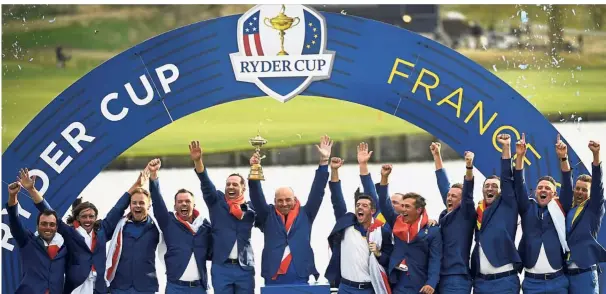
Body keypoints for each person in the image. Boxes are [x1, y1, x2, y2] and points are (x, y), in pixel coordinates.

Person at [21, 168, 138, 294]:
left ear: (95, 217)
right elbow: (47, 209)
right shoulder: (70, 233)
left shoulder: (102, 230)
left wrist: (137, 184)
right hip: (76, 288)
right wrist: (31, 189)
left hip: (100, 288)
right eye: (84, 216)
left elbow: (118, 208)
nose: (88, 220)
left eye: (91, 216)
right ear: (77, 218)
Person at [247, 135, 333, 285]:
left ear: (295, 199)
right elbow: (256, 196)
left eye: (288, 200)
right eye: (280, 200)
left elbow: (318, 191)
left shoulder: (306, 214)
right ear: (274, 202)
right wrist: (254, 169)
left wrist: (324, 162)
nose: (284, 203)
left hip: (300, 274)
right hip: (273, 275)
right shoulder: (268, 215)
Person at [190, 140, 256, 294]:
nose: (231, 187)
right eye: (228, 184)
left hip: (244, 267)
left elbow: (257, 204)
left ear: (243, 188)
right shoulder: (216, 201)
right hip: (221, 267)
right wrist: (198, 161)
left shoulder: (250, 207)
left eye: (235, 184)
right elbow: (205, 182)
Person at [325, 157, 393, 293]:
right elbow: (337, 200)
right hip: (345, 288)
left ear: (373, 211)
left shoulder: (382, 230)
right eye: (357, 205)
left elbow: (388, 259)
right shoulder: (346, 225)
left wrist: (378, 253)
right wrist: (334, 170)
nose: (359, 208)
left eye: (364, 206)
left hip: (370, 289)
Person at [146, 158, 213, 293]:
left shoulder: (204, 226)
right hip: (175, 287)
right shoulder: (168, 222)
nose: (184, 204)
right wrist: (153, 176)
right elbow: (157, 201)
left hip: (199, 288)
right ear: (175, 206)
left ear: (193, 205)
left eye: (187, 201)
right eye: (180, 201)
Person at [514, 133, 569, 293]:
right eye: (540, 188)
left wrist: (563, 158)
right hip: (532, 283)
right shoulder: (527, 207)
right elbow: (519, 184)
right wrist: (520, 157)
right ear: (535, 192)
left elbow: (567, 184)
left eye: (548, 189)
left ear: (554, 194)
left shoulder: (560, 207)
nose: (543, 190)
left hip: (558, 281)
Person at [377, 164, 442, 294]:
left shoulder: (432, 230)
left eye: (407, 206)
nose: (403, 209)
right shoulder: (397, 221)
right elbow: (384, 203)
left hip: (420, 284)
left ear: (418, 210)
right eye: (402, 206)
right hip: (398, 282)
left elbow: (435, 259)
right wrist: (384, 177)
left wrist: (431, 283)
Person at [470, 134, 521, 293]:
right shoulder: (478, 211)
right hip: (480, 283)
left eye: (494, 186)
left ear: (501, 192)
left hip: (505, 281)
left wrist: (506, 147)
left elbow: (506, 177)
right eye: (487, 186)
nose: (490, 188)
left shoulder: (508, 206)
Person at [558, 137, 604, 294]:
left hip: (585, 275)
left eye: (584, 190)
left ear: (590, 194)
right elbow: (566, 181)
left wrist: (596, 156)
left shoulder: (593, 210)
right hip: (565, 276)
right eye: (578, 188)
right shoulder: (567, 208)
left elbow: (598, 185)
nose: (580, 192)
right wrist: (563, 157)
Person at [105, 168, 162, 294]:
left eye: (142, 203)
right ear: (129, 205)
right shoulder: (119, 226)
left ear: (149, 205)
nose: (137, 206)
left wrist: (154, 178)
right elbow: (116, 209)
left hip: (146, 287)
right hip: (119, 287)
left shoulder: (157, 227)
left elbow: (160, 206)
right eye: (134, 203)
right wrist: (137, 185)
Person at [6, 179, 68, 294]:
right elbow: (14, 220)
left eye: (52, 224)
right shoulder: (27, 241)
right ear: (37, 225)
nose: (48, 227)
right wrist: (12, 196)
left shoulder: (65, 248)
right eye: (44, 224)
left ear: (56, 227)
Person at [430, 143, 476, 294]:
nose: (449, 198)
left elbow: (468, 192)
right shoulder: (445, 214)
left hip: (457, 277)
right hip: (438, 276)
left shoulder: (465, 214)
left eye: (453, 196)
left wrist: (469, 167)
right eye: (448, 196)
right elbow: (443, 184)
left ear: (462, 201)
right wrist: (437, 155)